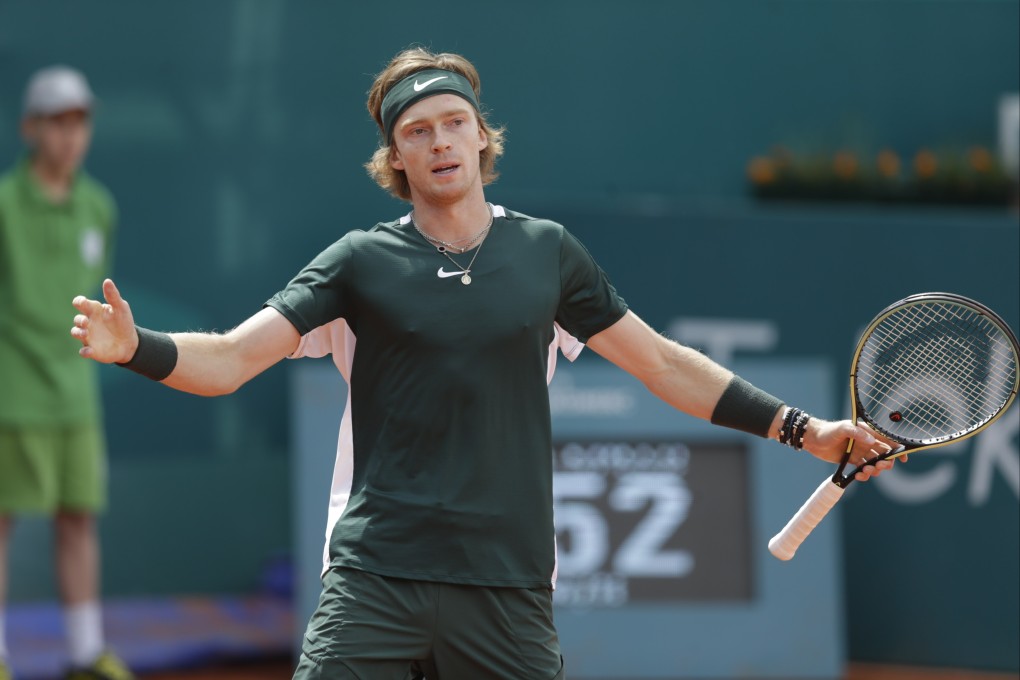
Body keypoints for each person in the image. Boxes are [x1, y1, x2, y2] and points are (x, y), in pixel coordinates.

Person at [69, 48, 899, 680]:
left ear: (480, 134)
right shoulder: (358, 262)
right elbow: (229, 361)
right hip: (376, 576)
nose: (439, 143)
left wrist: (804, 431)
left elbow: (663, 366)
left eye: (452, 123)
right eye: (417, 132)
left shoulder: (546, 254)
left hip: (506, 584)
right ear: (396, 157)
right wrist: (134, 348)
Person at [0, 67, 133, 680]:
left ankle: (84, 654)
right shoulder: (3, 205)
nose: (70, 134)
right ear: (31, 128)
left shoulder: (99, 206)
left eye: (79, 121)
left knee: (79, 516)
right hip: (12, 393)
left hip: (76, 393)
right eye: (57, 121)